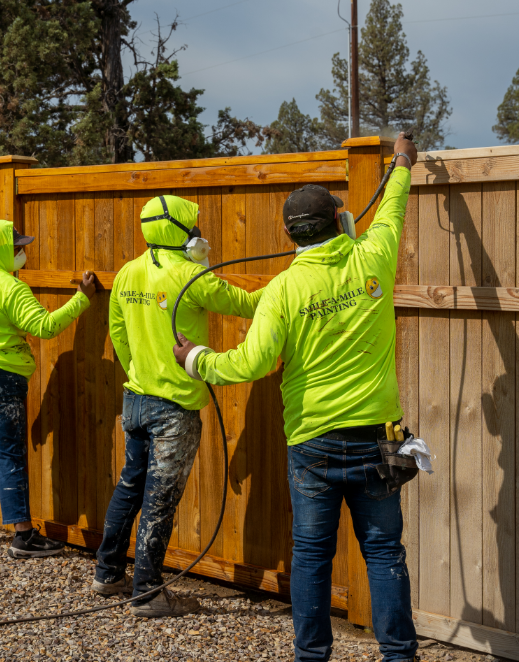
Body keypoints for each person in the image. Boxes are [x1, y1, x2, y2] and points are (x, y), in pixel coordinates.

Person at [174, 133, 420, 662]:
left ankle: (313, 658)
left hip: (314, 445)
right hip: (379, 439)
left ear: (290, 235)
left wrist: (196, 359)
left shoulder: (285, 289)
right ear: (340, 222)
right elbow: (393, 205)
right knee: (383, 551)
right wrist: (401, 162)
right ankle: (400, 657)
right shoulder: (373, 255)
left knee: (311, 555)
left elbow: (250, 363)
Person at [91, 194, 265, 617]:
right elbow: (248, 304)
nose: (199, 231)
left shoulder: (129, 272)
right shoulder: (192, 277)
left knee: (130, 486)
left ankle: (108, 573)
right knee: (159, 499)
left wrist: (139, 369)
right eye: (194, 225)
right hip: (173, 409)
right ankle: (148, 593)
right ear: (181, 230)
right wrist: (296, 279)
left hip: (136, 398)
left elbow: (117, 329)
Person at [0, 219, 95, 558]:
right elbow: (44, 326)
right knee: (8, 455)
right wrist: (82, 299)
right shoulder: (8, 287)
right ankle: (24, 537)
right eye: (16, 248)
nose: (22, 253)